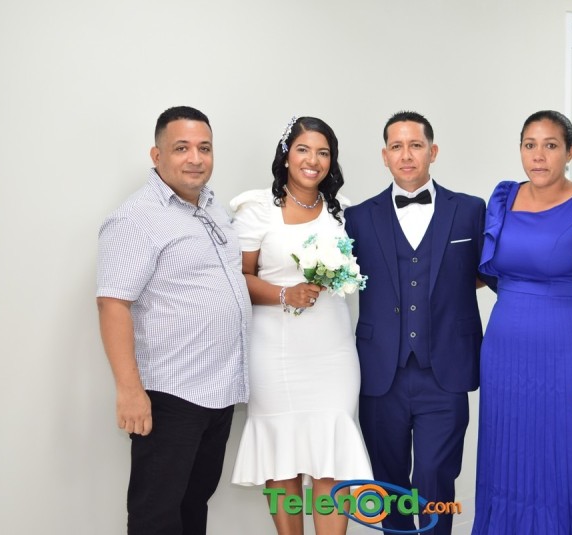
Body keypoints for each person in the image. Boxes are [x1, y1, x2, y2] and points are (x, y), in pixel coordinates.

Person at [96, 106, 251, 535]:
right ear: (157, 155)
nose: (195, 158)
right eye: (181, 148)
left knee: (193, 504)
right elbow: (112, 304)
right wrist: (130, 391)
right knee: (156, 515)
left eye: (204, 148)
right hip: (171, 394)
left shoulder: (213, 208)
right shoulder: (135, 218)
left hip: (217, 392)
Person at [472, 110, 572, 534]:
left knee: (568, 461)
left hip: (569, 356)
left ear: (571, 151)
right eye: (530, 145)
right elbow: (483, 273)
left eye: (551, 145)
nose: (538, 156)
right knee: (507, 459)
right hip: (504, 355)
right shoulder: (503, 198)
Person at [344, 111, 495, 535]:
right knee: (388, 483)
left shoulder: (469, 210)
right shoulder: (357, 217)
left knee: (435, 478)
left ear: (433, 151)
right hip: (381, 372)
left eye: (415, 145)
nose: (406, 155)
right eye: (396, 146)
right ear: (384, 156)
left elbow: (494, 271)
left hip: (445, 370)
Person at [229, 116, 373, 535]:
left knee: (332, 457)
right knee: (282, 457)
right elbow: (237, 278)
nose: (313, 160)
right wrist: (283, 294)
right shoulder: (257, 209)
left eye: (323, 152)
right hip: (275, 353)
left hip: (332, 352)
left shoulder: (342, 211)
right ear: (286, 155)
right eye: (303, 150)